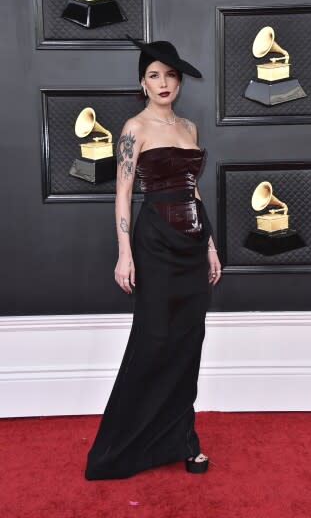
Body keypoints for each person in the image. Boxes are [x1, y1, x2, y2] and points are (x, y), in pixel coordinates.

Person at [85, 36, 221, 480]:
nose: (163, 83)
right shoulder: (134, 128)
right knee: (155, 340)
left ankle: (184, 439)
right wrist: (125, 255)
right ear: (142, 83)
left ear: (179, 82)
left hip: (192, 241)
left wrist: (211, 246)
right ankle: (122, 446)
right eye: (154, 75)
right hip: (155, 243)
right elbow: (123, 194)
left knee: (188, 342)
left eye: (170, 75)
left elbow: (193, 189)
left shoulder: (189, 129)